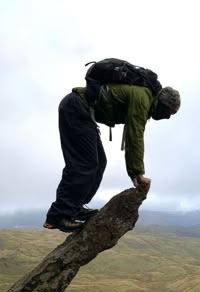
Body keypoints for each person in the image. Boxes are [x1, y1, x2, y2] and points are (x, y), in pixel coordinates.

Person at [43, 82, 180, 232]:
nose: (166, 117)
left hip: (83, 112)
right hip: (76, 109)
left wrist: (134, 172)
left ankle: (74, 208)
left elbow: (133, 134)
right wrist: (137, 173)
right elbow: (135, 136)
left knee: (100, 162)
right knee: (84, 164)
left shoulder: (145, 99)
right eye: (168, 112)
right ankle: (58, 215)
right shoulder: (143, 99)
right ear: (161, 102)